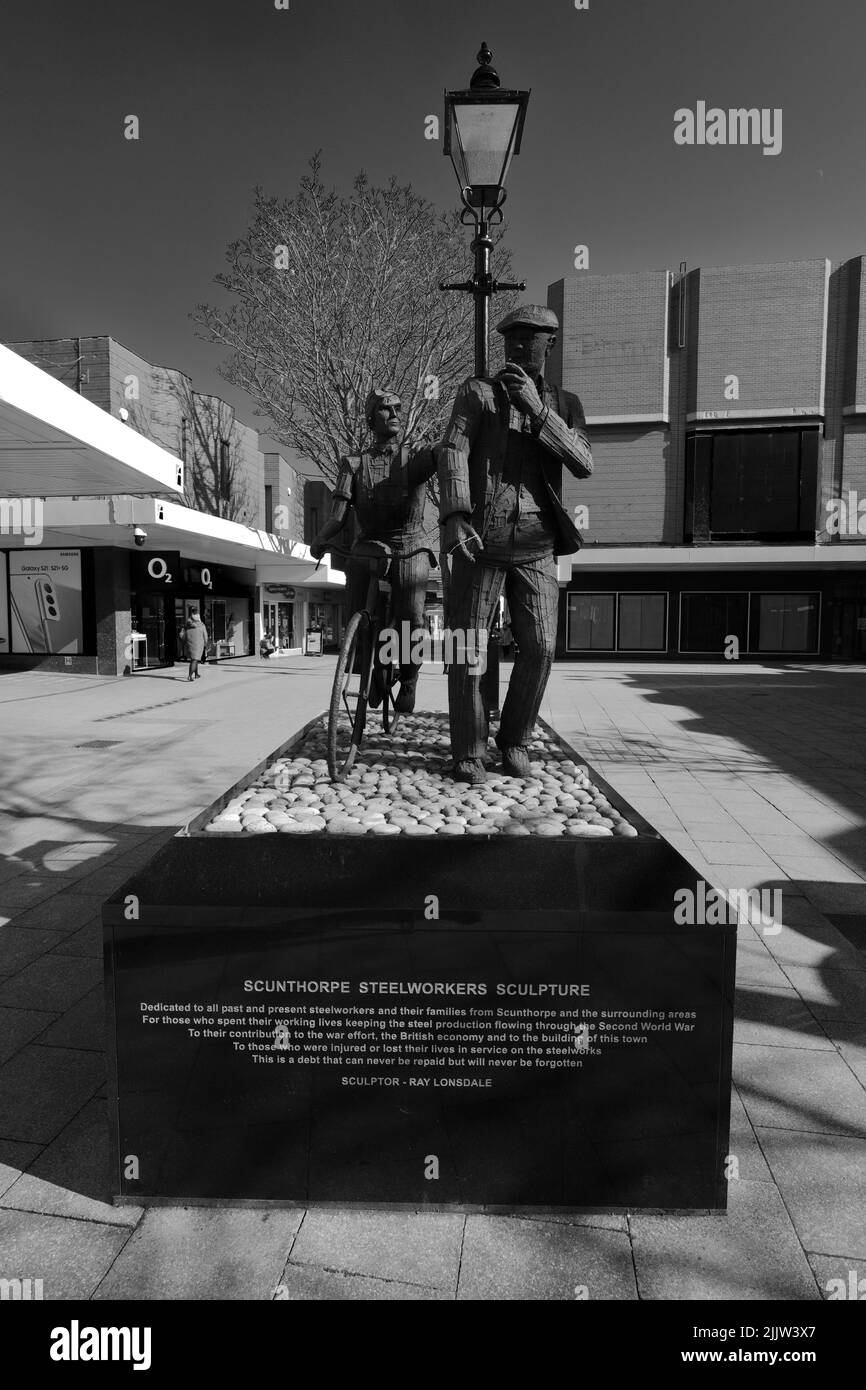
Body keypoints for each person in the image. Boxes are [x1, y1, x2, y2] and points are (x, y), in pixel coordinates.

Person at [438, 304, 593, 783]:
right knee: (468, 646)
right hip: (480, 542)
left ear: (551, 343)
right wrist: (456, 514)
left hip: (537, 543)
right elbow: (453, 449)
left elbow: (583, 460)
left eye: (533, 338)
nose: (521, 345)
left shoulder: (566, 405)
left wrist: (537, 410)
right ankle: (468, 749)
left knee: (542, 646)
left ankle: (515, 739)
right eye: (514, 338)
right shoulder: (477, 393)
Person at [310, 388, 438, 713]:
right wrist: (321, 539)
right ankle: (372, 669)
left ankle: (408, 678)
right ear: (371, 418)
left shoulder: (414, 457)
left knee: (411, 614)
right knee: (358, 609)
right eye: (385, 409)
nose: (394, 413)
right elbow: (338, 515)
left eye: (397, 408)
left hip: (410, 543)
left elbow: (440, 455)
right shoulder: (352, 464)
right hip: (370, 543)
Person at [184, 608, 208, 681]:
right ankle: (190, 676)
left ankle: (196, 674)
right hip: (198, 645)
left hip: (190, 644)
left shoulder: (188, 625)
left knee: (195, 659)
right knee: (194, 660)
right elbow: (205, 636)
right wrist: (206, 644)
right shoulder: (201, 625)